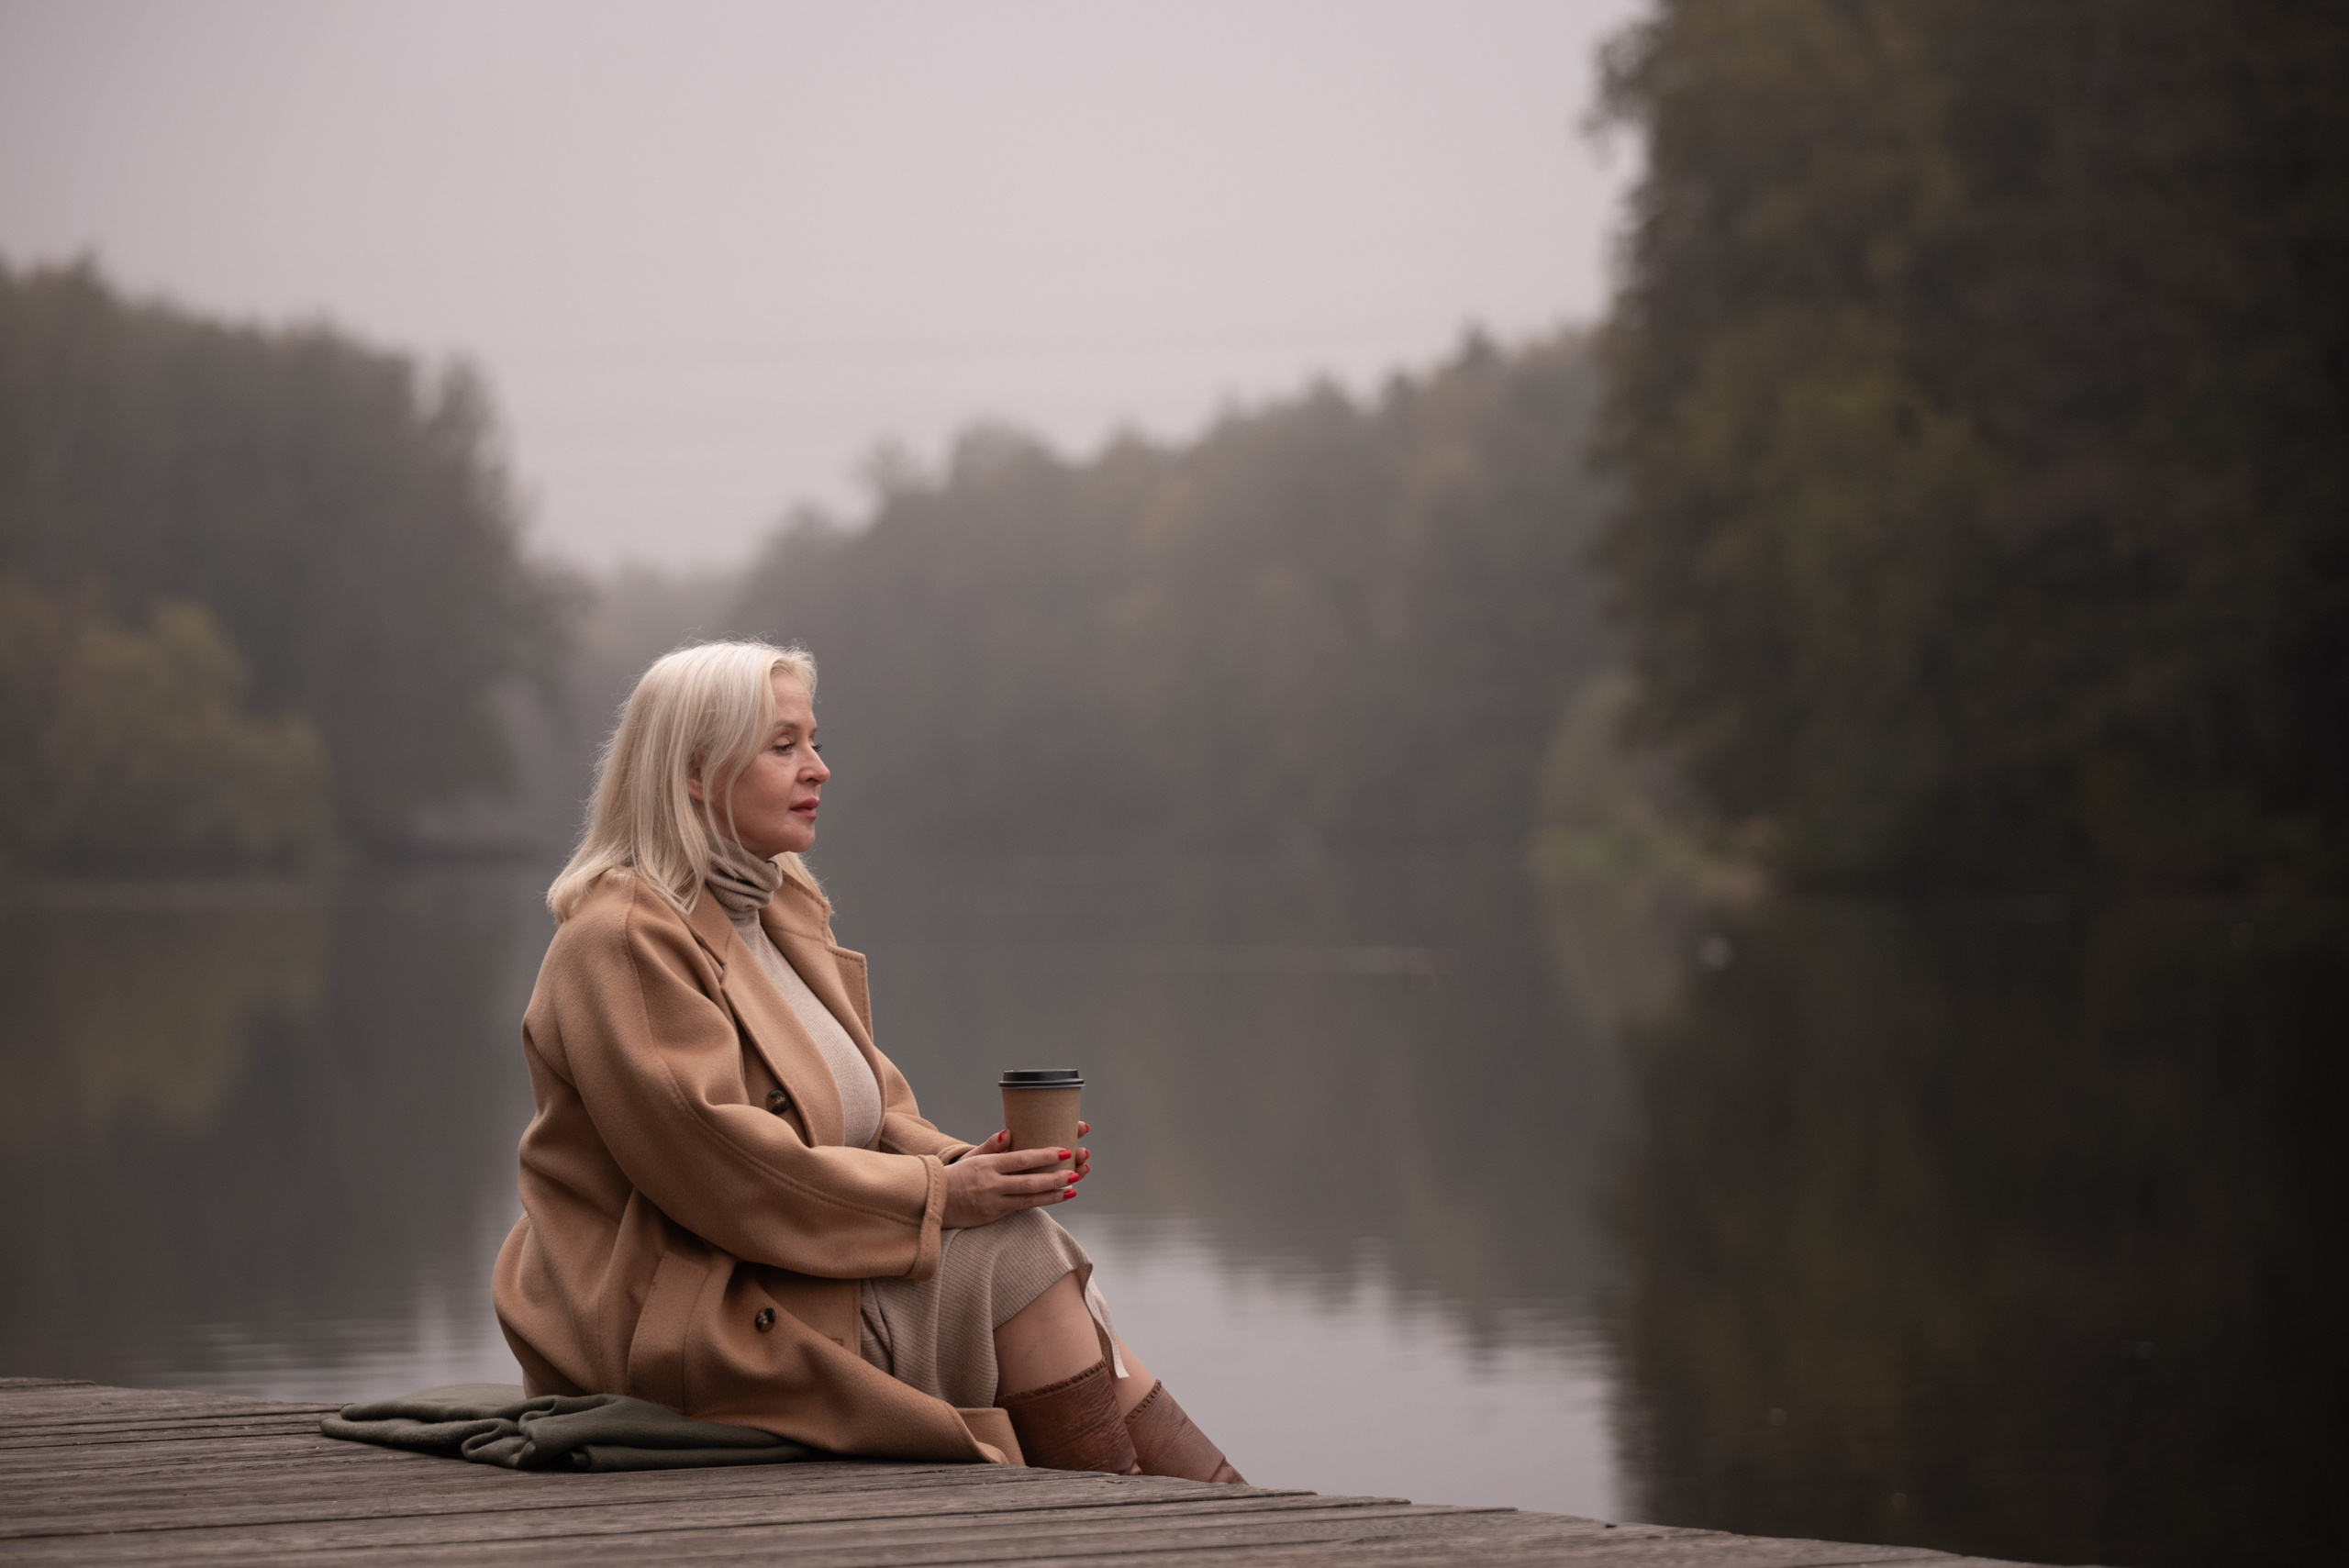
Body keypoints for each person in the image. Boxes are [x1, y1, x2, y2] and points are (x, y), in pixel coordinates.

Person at [492, 639, 1243, 1482]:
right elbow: (722, 1167)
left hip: (793, 1265)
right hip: (679, 1311)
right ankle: (1171, 1524)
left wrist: (977, 1171)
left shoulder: (781, 909)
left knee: (1019, 1235)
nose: (817, 768)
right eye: (784, 746)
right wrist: (938, 1198)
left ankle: (1218, 1522)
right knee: (1019, 1260)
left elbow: (876, 1114)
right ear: (696, 772)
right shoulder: (622, 939)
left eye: (814, 741)